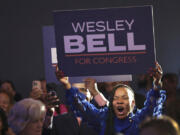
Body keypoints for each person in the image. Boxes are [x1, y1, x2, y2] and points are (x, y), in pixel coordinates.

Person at [57, 62, 166, 135]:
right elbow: (83, 107)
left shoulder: (140, 119)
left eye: (124, 98)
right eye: (116, 98)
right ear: (111, 103)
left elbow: (152, 107)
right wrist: (67, 85)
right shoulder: (103, 118)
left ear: (133, 103)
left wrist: (157, 83)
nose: (119, 101)